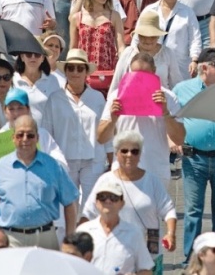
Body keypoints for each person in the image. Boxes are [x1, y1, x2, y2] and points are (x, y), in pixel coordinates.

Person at [0, 115, 79, 251]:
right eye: (20, 135)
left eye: (30, 135)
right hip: (10, 238)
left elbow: (70, 203)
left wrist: (70, 239)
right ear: (13, 138)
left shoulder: (53, 166)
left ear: (37, 138)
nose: (25, 139)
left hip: (45, 238)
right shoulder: (0, 167)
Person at [173, 49, 215, 260]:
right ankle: (190, 258)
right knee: (192, 211)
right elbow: (169, 117)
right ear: (204, 67)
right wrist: (171, 141)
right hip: (194, 158)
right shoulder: (182, 90)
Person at [81, 130, 175, 268]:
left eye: (134, 151)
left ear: (140, 154)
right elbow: (88, 213)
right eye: (124, 151)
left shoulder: (152, 180)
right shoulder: (105, 180)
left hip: (149, 251)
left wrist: (171, 233)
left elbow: (168, 210)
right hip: (117, 254)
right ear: (116, 153)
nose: (129, 155)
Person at [99, 51, 185, 188]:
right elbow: (101, 138)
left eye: (145, 74)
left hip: (156, 172)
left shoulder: (168, 97)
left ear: (154, 71)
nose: (139, 78)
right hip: (123, 172)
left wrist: (165, 112)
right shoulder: (116, 96)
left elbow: (179, 139)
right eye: (135, 73)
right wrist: (113, 119)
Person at [42, 49, 107, 203]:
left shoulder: (97, 98)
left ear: (86, 72)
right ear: (65, 71)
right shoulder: (55, 99)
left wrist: (112, 161)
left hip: (93, 159)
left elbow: (106, 131)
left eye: (80, 68)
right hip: (65, 160)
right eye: (71, 68)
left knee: (92, 206)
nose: (75, 72)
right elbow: (46, 133)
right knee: (67, 206)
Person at [76, 179, 154, 275]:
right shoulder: (83, 231)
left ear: (122, 203)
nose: (108, 201)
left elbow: (146, 270)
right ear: (96, 202)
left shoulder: (134, 233)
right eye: (102, 197)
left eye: (113, 197)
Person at [143, 0, 200, 79]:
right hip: (154, 62)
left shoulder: (188, 12)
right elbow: (138, 37)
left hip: (180, 64)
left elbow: (195, 38)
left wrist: (194, 60)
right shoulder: (150, 10)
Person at [69, 0, 124, 71]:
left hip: (108, 72)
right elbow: (73, 49)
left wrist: (122, 66)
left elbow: (120, 47)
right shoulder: (77, 18)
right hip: (83, 72)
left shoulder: (114, 16)